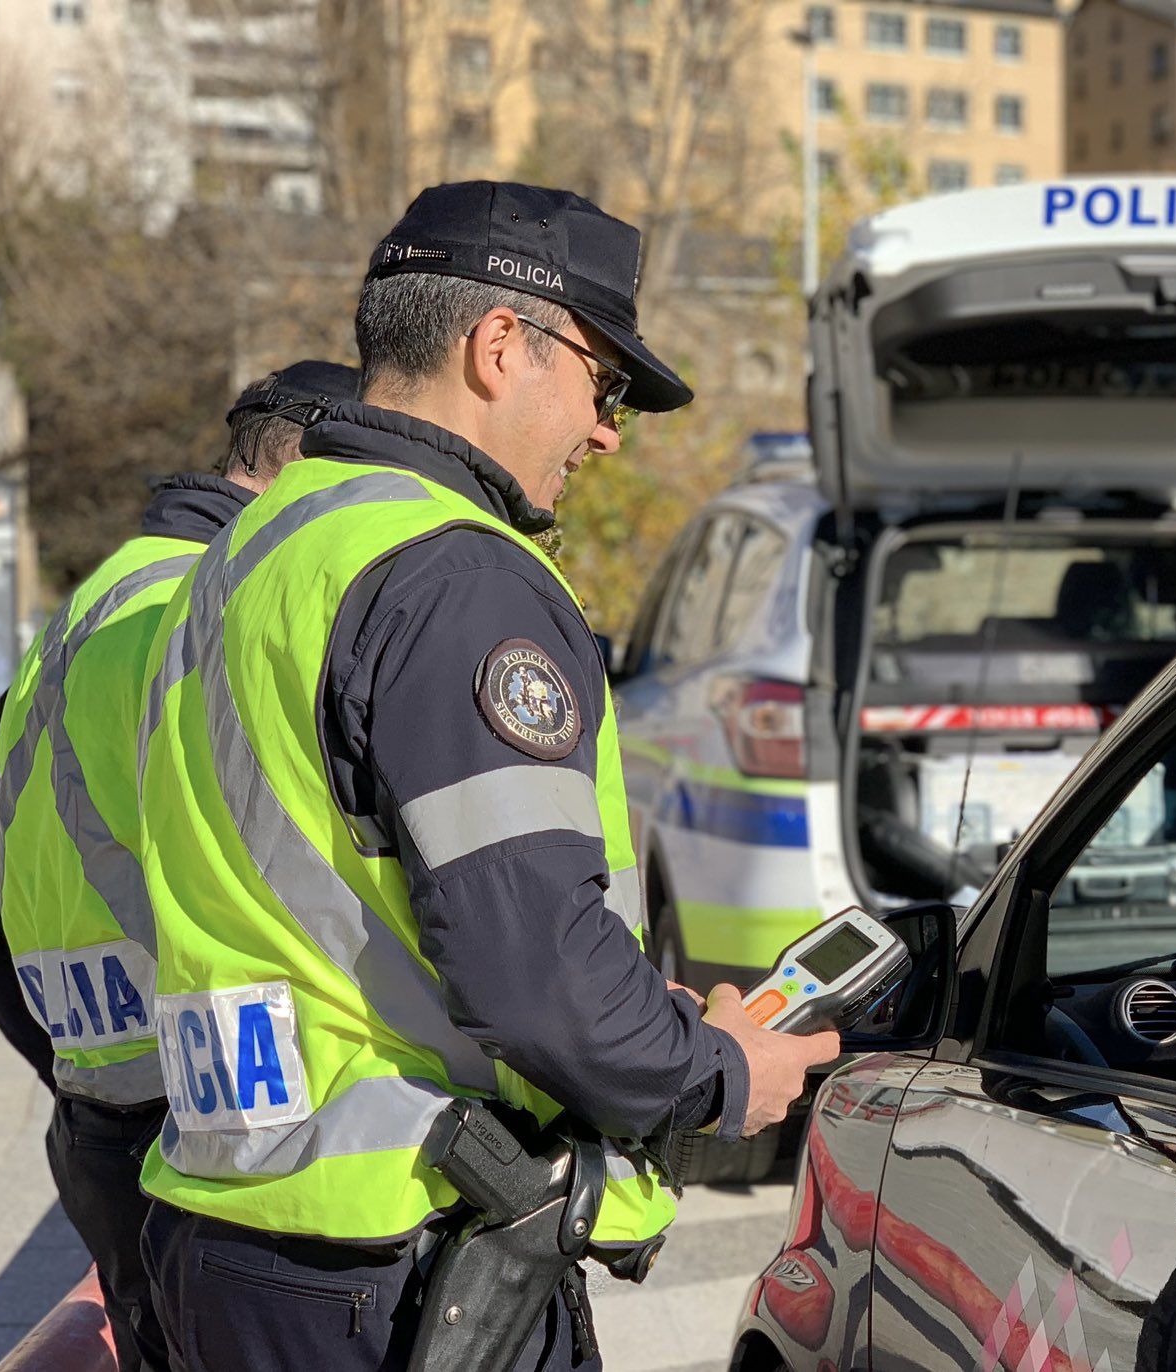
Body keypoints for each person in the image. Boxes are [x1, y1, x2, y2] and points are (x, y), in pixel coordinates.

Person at [133, 182, 839, 1371]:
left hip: (228, 1223)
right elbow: (532, 971)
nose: (608, 428)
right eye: (603, 383)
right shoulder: (455, 575)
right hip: (400, 1262)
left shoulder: (261, 545)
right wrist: (717, 1073)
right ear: (500, 345)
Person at [0, 359, 360, 1371]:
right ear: (304, 460)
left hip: (103, 1138)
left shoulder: (92, 610)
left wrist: (87, 1074)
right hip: (219, 1150)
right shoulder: (212, 616)